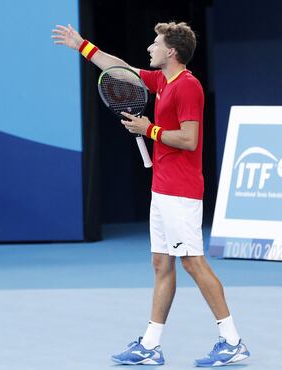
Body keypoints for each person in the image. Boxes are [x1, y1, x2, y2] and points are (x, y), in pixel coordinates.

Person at [52, 22, 250, 367]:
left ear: (171, 52)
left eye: (155, 44)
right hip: (162, 188)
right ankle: (150, 345)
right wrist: (82, 45)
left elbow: (189, 140)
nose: (149, 48)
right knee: (161, 263)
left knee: (192, 261)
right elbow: (121, 70)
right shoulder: (163, 81)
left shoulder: (188, 87)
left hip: (181, 190)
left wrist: (149, 129)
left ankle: (231, 340)